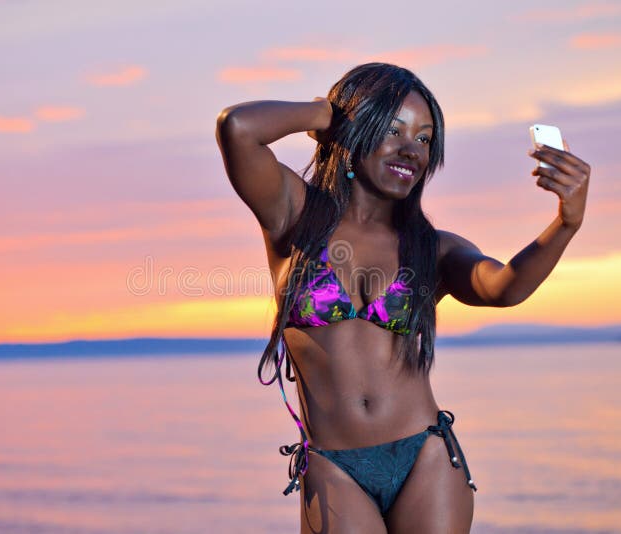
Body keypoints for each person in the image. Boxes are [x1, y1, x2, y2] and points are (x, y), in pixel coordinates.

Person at [215, 62, 590, 533]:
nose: (411, 149)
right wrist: (328, 113)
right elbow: (238, 128)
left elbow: (504, 287)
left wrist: (566, 224)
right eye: (392, 130)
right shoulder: (293, 213)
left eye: (425, 138)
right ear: (355, 130)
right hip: (334, 468)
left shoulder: (433, 248)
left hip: (426, 457)